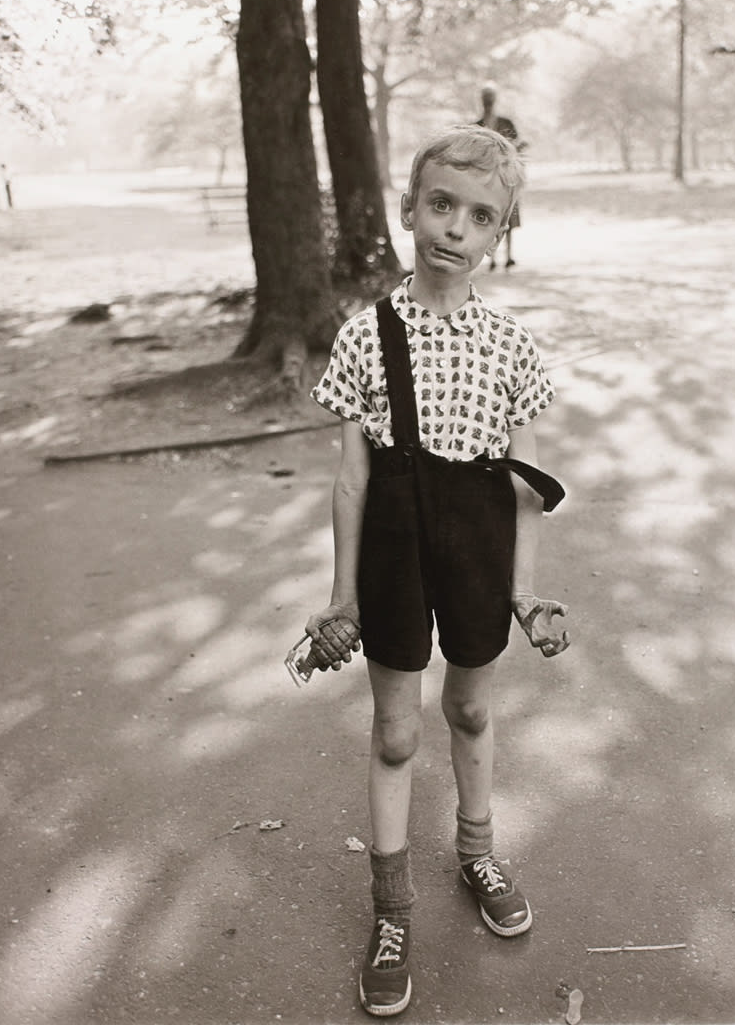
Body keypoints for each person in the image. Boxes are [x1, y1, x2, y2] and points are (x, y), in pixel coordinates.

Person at [304, 124, 570, 1018]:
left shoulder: (512, 349)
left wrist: (525, 593)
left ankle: (477, 850)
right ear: (409, 208)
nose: (455, 227)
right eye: (441, 205)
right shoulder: (364, 335)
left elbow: (529, 488)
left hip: (478, 548)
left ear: (502, 234)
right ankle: (390, 911)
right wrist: (341, 595)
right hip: (391, 550)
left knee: (469, 708)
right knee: (395, 734)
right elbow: (351, 480)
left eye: (480, 216)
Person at [475, 85, 527, 270]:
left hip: (507, 178)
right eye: (485, 98)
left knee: (508, 217)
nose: (487, 102)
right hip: (486, 181)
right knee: (489, 218)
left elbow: (518, 146)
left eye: (490, 98)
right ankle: (492, 258)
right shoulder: (477, 126)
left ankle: (509, 256)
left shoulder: (506, 123)